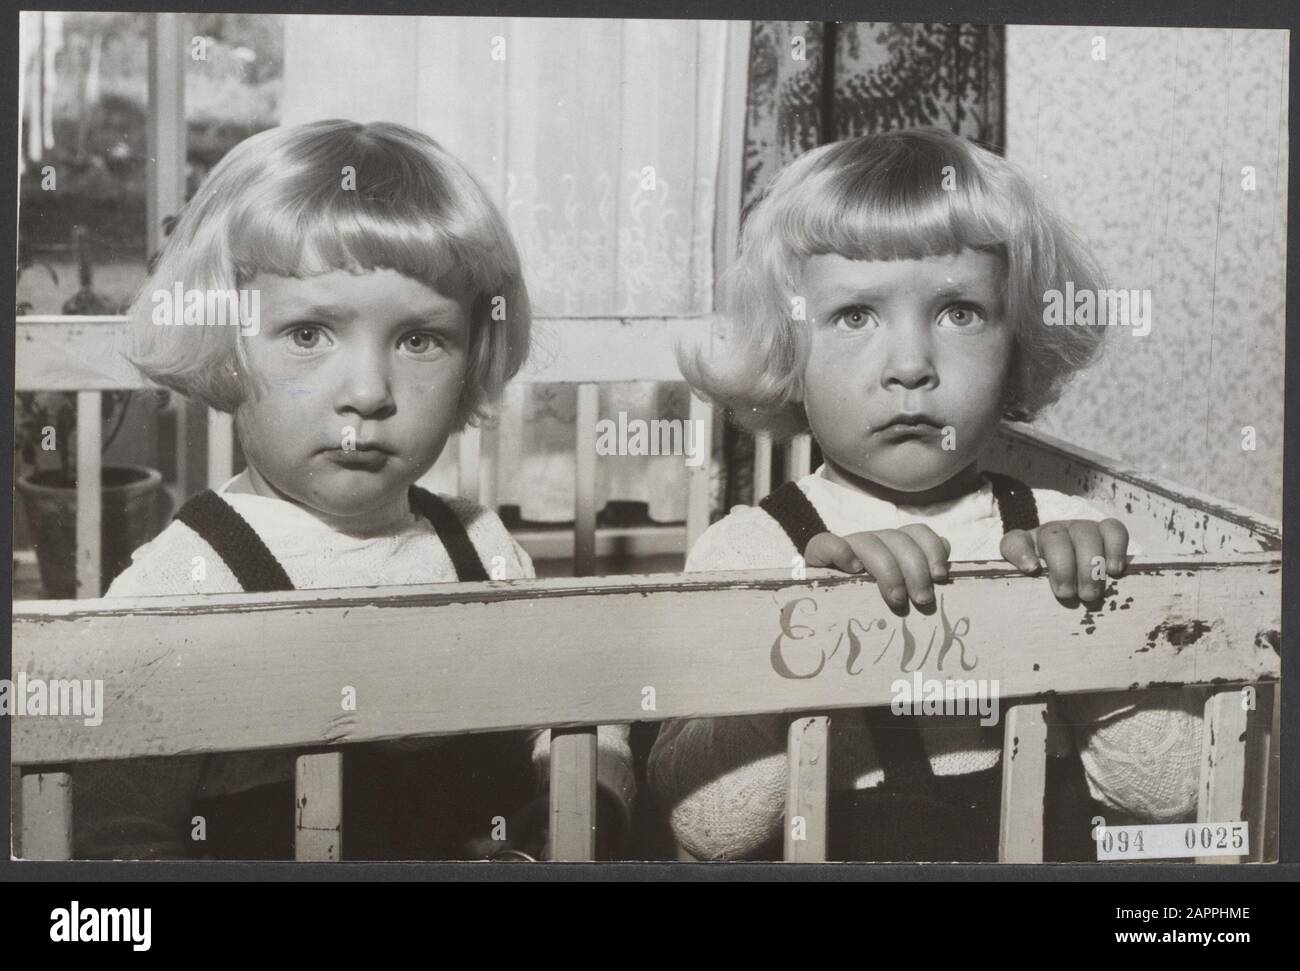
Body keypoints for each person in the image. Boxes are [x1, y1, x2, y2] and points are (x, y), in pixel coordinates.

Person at [74, 119, 635, 860]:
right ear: (225, 344)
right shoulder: (177, 587)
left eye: (419, 339)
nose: (369, 392)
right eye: (308, 333)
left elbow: (584, 713)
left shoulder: (480, 546)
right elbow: (107, 832)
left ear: (473, 357)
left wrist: (579, 801)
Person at [649, 127, 1202, 861]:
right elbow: (709, 827)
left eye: (958, 312)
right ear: (788, 352)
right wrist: (801, 624)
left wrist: (1089, 619)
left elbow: (1171, 790)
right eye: (855, 315)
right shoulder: (751, 551)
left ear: (1016, 349)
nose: (911, 364)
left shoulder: (1071, 529)